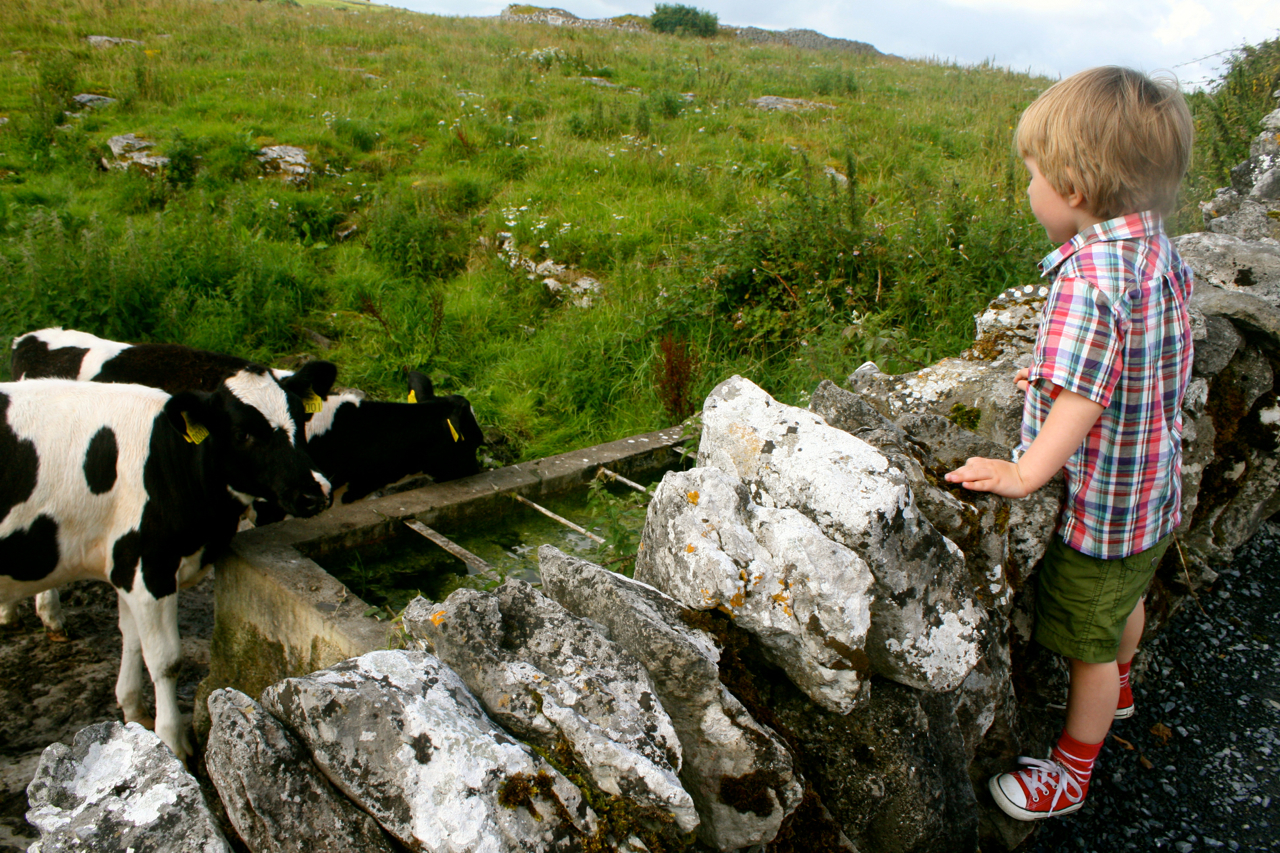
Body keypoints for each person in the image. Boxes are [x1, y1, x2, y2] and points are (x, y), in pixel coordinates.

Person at [945, 66, 1195, 821]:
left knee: (1088, 646)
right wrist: (1055, 374)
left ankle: (1071, 772)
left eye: (1033, 176)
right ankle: (1124, 683)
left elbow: (1084, 399)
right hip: (1151, 492)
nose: (1027, 190)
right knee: (1127, 601)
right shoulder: (1155, 250)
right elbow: (1133, 356)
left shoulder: (1089, 278)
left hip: (1104, 512)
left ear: (1075, 189)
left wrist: (1025, 472)